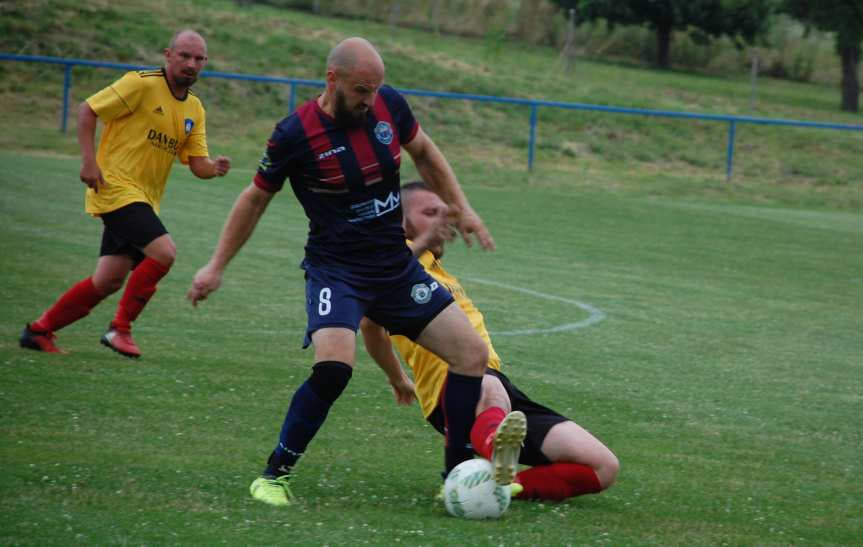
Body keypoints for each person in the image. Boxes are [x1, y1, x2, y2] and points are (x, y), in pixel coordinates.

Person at [187, 37, 515, 507]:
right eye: (361, 90)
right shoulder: (293, 134)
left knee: (470, 354)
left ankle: (456, 474)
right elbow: (255, 198)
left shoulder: (388, 108)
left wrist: (464, 209)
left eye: (375, 89)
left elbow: (425, 152)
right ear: (332, 79)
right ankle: (274, 475)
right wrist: (216, 266)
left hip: (394, 268)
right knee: (334, 369)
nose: (369, 100)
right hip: (336, 272)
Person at [360, 181, 620, 501]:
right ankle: (496, 455)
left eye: (446, 213)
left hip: (497, 389)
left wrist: (398, 379)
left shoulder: (439, 272)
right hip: (455, 388)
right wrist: (397, 377)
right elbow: (369, 320)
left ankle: (502, 487)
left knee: (603, 466)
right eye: (430, 212)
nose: (444, 220)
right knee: (486, 383)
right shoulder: (399, 268)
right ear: (402, 222)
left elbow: (371, 327)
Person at [19, 29, 231, 359]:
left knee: (108, 280)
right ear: (168, 55)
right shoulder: (141, 83)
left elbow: (196, 164)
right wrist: (89, 162)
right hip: (114, 187)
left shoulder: (195, 109)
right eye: (185, 56)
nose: (192, 63)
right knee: (164, 253)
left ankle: (38, 331)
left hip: (143, 199)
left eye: (199, 58)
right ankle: (120, 329)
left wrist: (214, 168)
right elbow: (87, 110)